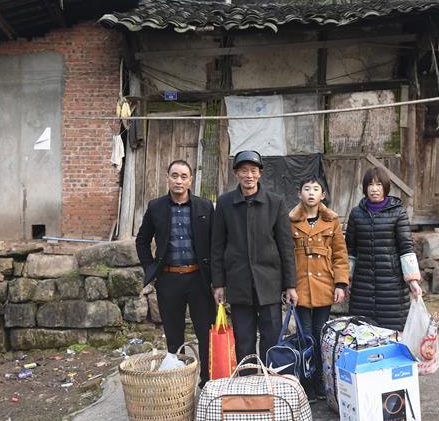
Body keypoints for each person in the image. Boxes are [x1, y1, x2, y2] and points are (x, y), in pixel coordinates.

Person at [211, 150, 298, 365]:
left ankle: (270, 382)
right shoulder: (225, 203)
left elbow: (286, 246)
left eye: (252, 170)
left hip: (269, 283)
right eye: (243, 171)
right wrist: (219, 283)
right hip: (239, 283)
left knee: (272, 338)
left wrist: (290, 285)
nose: (248, 175)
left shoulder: (275, 202)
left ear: (260, 174)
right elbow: (217, 246)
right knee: (244, 339)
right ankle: (247, 381)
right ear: (236, 174)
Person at [135, 160, 215, 384]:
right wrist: (151, 269)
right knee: (174, 334)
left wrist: (216, 280)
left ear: (190, 180)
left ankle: (206, 380)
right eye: (174, 175)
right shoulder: (156, 207)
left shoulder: (204, 207)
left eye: (183, 176)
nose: (179, 180)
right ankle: (179, 384)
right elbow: (142, 241)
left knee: (205, 333)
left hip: (199, 279)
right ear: (167, 178)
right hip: (168, 279)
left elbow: (216, 243)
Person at [288, 176, 349, 400]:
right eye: (306, 189)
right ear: (299, 194)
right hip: (300, 287)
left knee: (321, 335)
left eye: (316, 189)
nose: (311, 193)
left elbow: (341, 255)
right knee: (304, 337)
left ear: (322, 195)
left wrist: (341, 283)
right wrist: (287, 286)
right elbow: (285, 255)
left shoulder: (332, 221)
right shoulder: (291, 221)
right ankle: (307, 382)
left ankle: (323, 382)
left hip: (324, 286)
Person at [345, 166, 422, 330]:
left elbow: (406, 247)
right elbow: (350, 250)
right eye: (370, 185)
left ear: (385, 187)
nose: (374, 189)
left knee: (392, 331)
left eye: (379, 185)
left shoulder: (398, 212)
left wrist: (412, 280)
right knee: (362, 332)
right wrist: (346, 279)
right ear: (365, 188)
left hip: (392, 284)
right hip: (362, 285)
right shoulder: (356, 214)